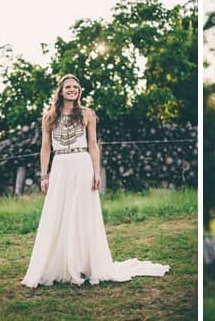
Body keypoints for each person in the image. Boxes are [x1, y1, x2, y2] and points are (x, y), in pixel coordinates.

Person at [21, 74, 169, 288]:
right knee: (58, 213)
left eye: (76, 87)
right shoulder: (49, 117)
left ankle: (83, 264)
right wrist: (44, 175)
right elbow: (45, 147)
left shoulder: (87, 114)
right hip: (61, 164)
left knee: (82, 213)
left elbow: (92, 144)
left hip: (82, 164)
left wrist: (96, 172)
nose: (72, 90)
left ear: (79, 91)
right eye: (68, 87)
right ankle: (59, 265)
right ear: (61, 91)